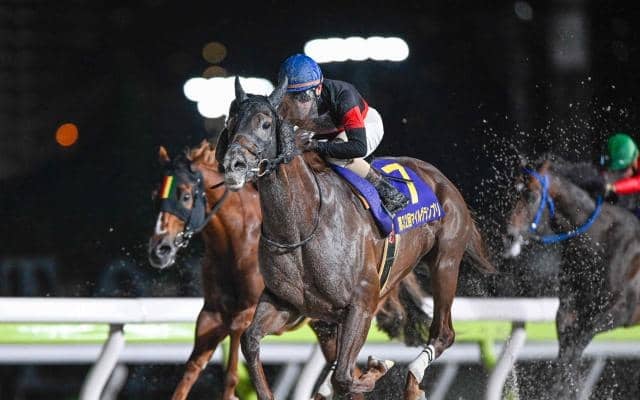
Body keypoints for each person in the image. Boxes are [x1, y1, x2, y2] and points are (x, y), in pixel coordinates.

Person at [278, 53, 409, 215]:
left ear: (318, 89)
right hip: (325, 132)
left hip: (365, 124)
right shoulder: (285, 105)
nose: (296, 106)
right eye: (290, 97)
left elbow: (358, 147)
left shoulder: (343, 96)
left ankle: (387, 189)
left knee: (333, 156)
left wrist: (316, 145)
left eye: (302, 97)